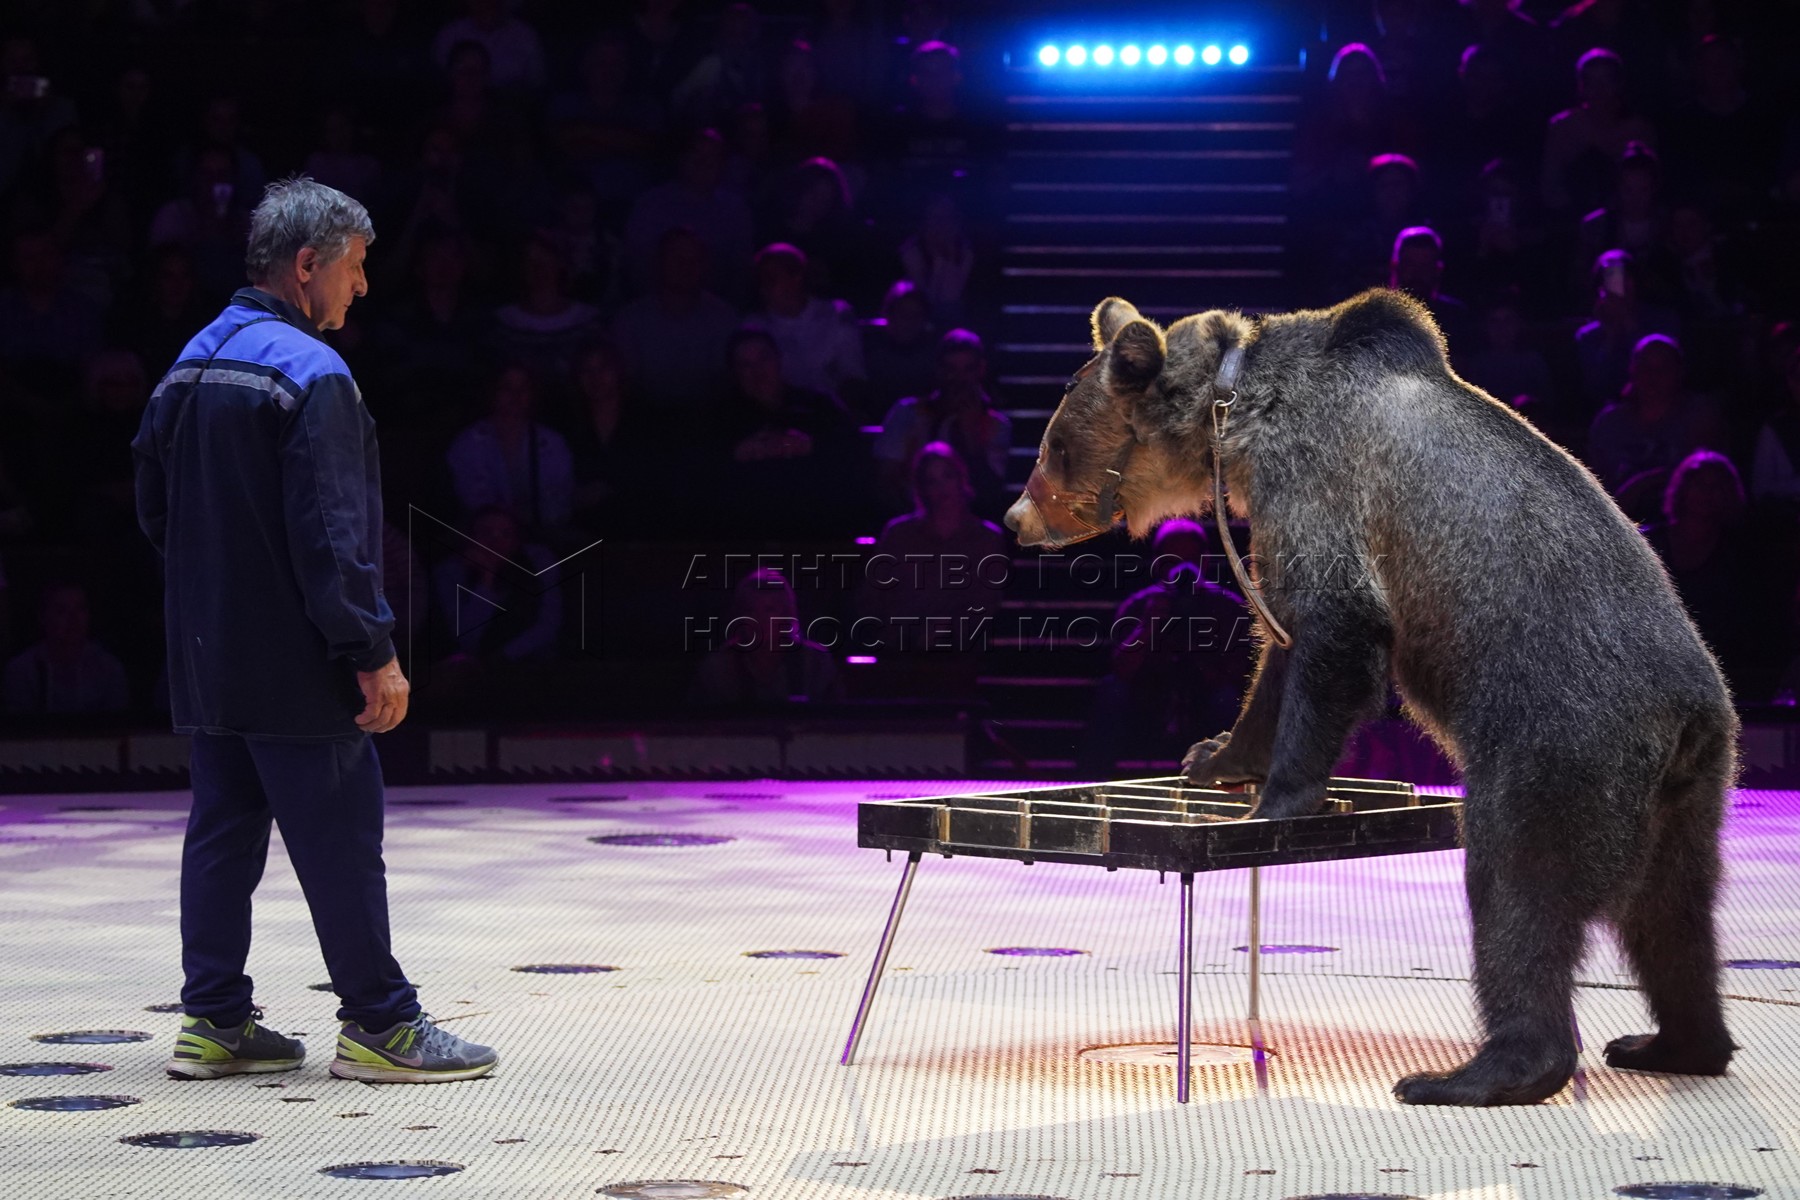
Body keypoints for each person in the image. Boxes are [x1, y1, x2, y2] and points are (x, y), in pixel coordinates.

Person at [131, 176, 495, 1084]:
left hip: (208, 655)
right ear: (307, 266)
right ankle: (383, 1026)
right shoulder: (314, 373)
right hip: (296, 660)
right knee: (340, 834)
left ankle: (213, 1022)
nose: (362, 287)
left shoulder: (190, 360)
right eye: (357, 266)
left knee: (222, 829)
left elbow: (151, 504)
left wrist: (219, 590)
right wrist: (372, 651)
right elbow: (334, 535)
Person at [1, 581, 130, 715]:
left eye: (80, 608)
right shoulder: (21, 671)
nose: (74, 619)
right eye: (61, 611)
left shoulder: (110, 669)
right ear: (43, 617)